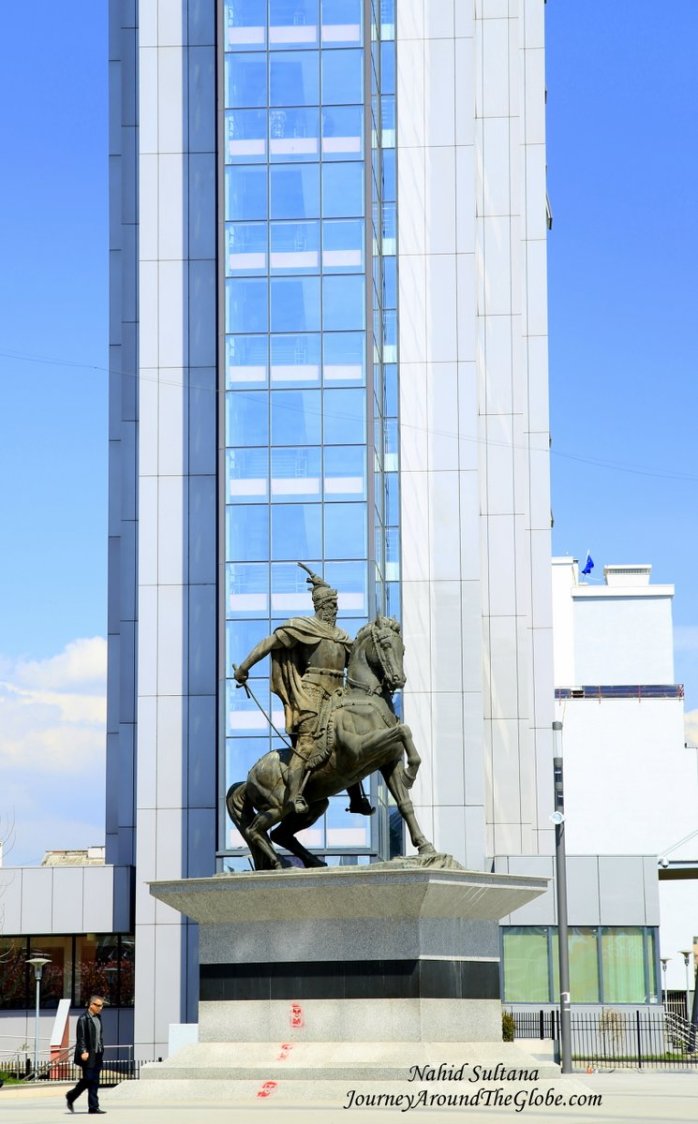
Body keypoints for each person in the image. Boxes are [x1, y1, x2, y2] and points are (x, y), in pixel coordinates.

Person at [234, 565, 373, 817]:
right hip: (311, 695)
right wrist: (244, 667)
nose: (334, 611)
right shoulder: (303, 627)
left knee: (350, 742)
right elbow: (269, 642)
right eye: (330, 607)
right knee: (307, 745)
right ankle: (294, 795)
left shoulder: (342, 636)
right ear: (320, 607)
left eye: (336, 607)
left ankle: (356, 799)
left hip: (338, 696)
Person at [66, 995, 106, 1115]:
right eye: (98, 1005)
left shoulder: (98, 1017)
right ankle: (71, 1095)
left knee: (95, 1081)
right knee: (89, 1078)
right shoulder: (83, 1019)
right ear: (91, 1005)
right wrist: (83, 1051)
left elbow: (98, 1036)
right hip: (88, 1053)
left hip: (98, 1053)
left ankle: (93, 1107)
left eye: (102, 1005)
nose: (101, 1008)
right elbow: (81, 1037)